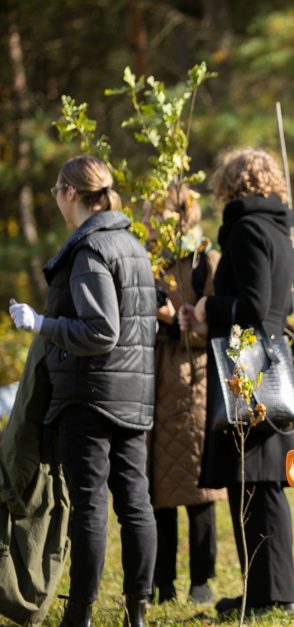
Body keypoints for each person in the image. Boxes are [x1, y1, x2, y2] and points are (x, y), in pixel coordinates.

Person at [8, 154, 157, 627]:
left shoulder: (91, 251)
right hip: (132, 393)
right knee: (136, 503)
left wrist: (41, 323)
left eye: (55, 190)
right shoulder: (132, 245)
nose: (55, 199)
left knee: (90, 505)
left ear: (71, 193)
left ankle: (81, 614)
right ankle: (138, 610)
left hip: (90, 396)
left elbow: (102, 331)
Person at [180, 147, 294, 618]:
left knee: (258, 481)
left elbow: (252, 306)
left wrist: (209, 309)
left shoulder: (248, 230)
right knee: (257, 481)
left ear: (231, 186)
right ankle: (265, 591)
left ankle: (273, 594)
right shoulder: (277, 228)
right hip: (263, 364)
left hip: (251, 372)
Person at [144, 185, 226, 605]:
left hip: (190, 383)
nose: (147, 223)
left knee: (197, 489)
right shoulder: (147, 260)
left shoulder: (204, 261)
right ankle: (162, 583)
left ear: (181, 216)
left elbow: (216, 330)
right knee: (157, 492)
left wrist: (173, 321)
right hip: (149, 383)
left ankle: (201, 580)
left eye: (154, 215)